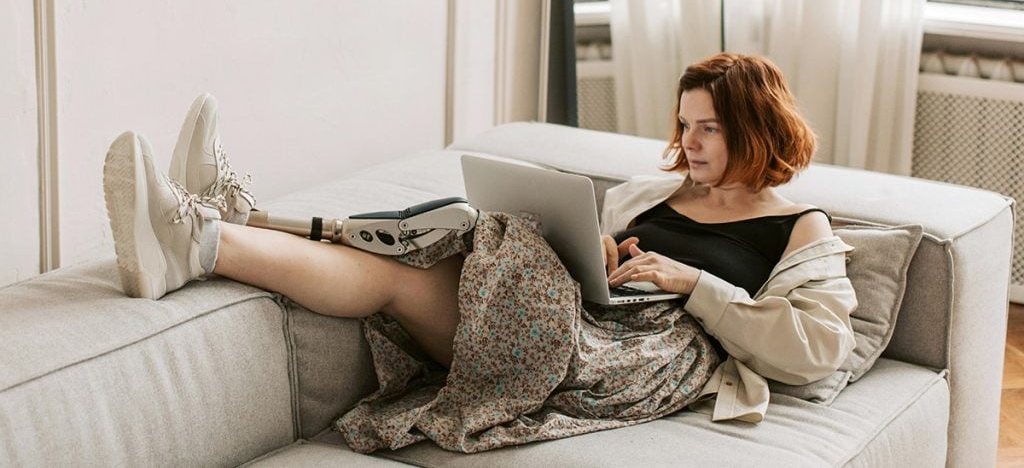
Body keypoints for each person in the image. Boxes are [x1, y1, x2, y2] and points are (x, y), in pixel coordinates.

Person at [102, 52, 856, 453]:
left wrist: (693, 281)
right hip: (575, 313)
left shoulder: (799, 228)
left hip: (629, 357)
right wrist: (593, 246)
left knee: (456, 243)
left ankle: (208, 232)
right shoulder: (644, 194)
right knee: (408, 259)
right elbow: (601, 262)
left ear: (755, 129)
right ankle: (225, 228)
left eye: (709, 130)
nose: (686, 143)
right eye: (685, 124)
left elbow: (817, 349)